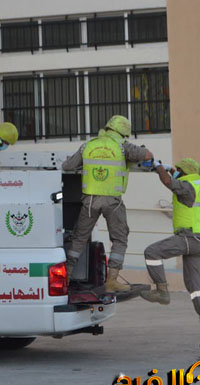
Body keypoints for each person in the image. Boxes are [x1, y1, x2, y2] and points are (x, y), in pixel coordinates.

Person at [62, 115, 153, 291]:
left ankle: (66, 276)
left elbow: (67, 166)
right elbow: (148, 155)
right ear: (123, 132)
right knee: (119, 238)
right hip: (113, 201)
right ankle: (112, 280)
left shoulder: (88, 145)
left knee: (79, 238)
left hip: (90, 201)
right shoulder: (123, 146)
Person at [139, 158, 200, 348]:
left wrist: (158, 167)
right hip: (198, 240)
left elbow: (168, 182)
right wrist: (167, 169)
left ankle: (162, 291)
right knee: (194, 285)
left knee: (152, 252)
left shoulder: (187, 187)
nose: (175, 172)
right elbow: (173, 179)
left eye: (178, 170)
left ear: (185, 172)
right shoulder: (193, 185)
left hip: (189, 238)